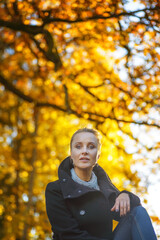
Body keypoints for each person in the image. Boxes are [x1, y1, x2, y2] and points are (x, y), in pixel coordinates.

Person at [45, 128, 157, 240]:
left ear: (98, 156)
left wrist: (125, 195)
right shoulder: (56, 189)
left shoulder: (104, 187)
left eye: (91, 147)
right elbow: (68, 235)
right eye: (78, 146)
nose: (84, 151)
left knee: (138, 211)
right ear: (71, 154)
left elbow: (134, 214)